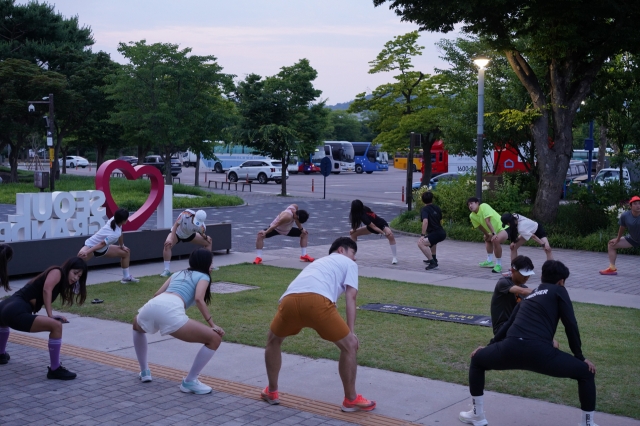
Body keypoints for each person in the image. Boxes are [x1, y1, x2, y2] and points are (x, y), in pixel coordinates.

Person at [460, 260, 597, 426]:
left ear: (541, 276)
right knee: (586, 373)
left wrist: (489, 347)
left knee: (477, 360)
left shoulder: (529, 295)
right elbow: (570, 324)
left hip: (510, 348)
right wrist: (580, 357)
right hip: (540, 353)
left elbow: (508, 324)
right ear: (561, 281)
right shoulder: (559, 290)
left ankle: (477, 415)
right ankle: (587, 423)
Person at [261, 237, 376, 412]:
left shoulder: (318, 262)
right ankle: (351, 399)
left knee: (273, 340)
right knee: (349, 346)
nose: (354, 258)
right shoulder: (348, 263)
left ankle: (272, 392)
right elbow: (351, 297)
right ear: (341, 250)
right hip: (317, 302)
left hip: (289, 300)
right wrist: (351, 332)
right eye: (353, 253)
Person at [132, 248, 225, 394]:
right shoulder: (204, 276)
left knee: (137, 326)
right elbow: (199, 299)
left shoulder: (178, 273)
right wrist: (212, 325)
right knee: (214, 339)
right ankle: (190, 381)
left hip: (153, 304)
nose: (212, 266)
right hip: (170, 309)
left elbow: (157, 294)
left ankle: (144, 371)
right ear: (206, 263)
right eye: (211, 262)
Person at [0, 257, 88, 379]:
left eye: (79, 276)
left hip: (5, 306)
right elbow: (47, 289)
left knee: (3, 322)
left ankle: (1, 354)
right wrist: (50, 316)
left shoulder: (61, 278)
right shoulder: (57, 271)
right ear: (68, 268)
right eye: (75, 273)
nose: (76, 278)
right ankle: (55, 369)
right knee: (56, 326)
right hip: (15, 310)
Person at [77, 208, 139, 284]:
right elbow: (101, 243)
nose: (127, 219)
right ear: (123, 220)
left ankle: (126, 277)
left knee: (126, 252)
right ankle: (74, 283)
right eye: (127, 218)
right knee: (79, 260)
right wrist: (86, 252)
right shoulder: (114, 233)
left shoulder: (116, 220)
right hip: (90, 246)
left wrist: (122, 246)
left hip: (103, 249)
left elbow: (120, 233)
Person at [490, 255, 534, 335]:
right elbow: (522, 291)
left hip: (517, 326)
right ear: (513, 271)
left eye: (528, 275)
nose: (527, 277)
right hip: (502, 328)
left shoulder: (524, 287)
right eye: (524, 274)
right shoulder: (503, 283)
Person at [161, 209, 213, 277]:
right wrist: (171, 238)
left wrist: (206, 237)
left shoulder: (202, 226)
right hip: (177, 233)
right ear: (194, 215)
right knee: (167, 245)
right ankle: (166, 270)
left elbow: (201, 233)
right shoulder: (185, 214)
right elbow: (176, 225)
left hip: (189, 235)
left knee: (209, 242)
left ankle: (207, 265)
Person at [599, 195, 640, 275]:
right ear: (630, 206)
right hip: (633, 239)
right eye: (635, 204)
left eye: (639, 203)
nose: (638, 206)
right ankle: (612, 268)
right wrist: (617, 239)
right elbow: (622, 228)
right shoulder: (625, 216)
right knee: (611, 244)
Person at [467, 197, 509, 274]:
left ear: (477, 203)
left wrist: (493, 234)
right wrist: (487, 235)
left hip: (504, 228)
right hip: (494, 231)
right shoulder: (472, 216)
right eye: (468, 204)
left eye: (472, 203)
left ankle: (499, 265)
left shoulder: (484, 206)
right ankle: (489, 261)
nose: (470, 206)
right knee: (487, 239)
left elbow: (487, 221)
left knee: (495, 240)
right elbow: (480, 226)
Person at [349, 199, 397, 264]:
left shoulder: (364, 213)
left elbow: (374, 226)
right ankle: (352, 255)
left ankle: (395, 258)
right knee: (353, 235)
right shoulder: (360, 214)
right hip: (371, 227)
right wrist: (353, 230)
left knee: (390, 236)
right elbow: (370, 226)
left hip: (381, 225)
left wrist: (384, 233)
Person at [417, 191, 446, 271]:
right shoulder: (437, 208)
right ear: (432, 199)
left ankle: (433, 263)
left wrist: (422, 235)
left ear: (422, 200)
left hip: (436, 233)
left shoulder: (424, 209)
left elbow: (425, 221)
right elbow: (440, 220)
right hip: (441, 232)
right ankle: (434, 258)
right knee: (432, 242)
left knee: (420, 243)